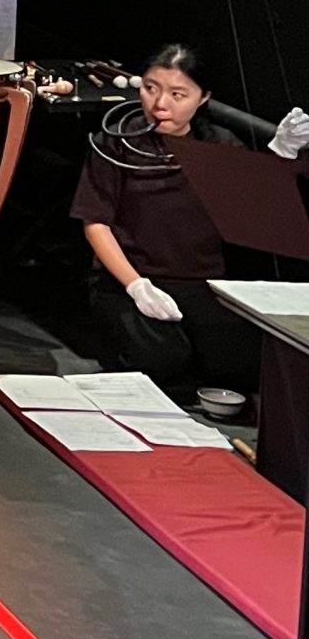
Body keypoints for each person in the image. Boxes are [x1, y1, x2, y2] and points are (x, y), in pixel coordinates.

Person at [71, 44, 265, 397]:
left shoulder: (220, 145)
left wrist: (280, 156)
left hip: (201, 282)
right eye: (150, 88)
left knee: (240, 368)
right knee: (163, 362)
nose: (160, 104)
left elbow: (254, 213)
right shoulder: (114, 142)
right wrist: (135, 285)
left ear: (203, 98)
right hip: (128, 279)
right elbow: (95, 222)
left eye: (178, 95)